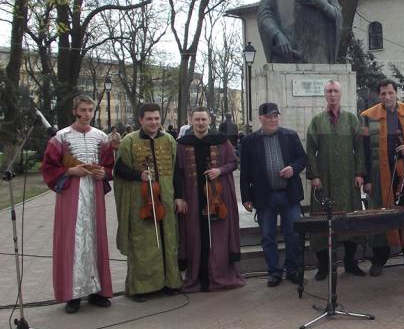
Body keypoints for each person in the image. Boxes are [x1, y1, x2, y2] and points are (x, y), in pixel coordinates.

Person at [41, 95, 113, 313]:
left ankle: (96, 291)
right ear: (75, 111)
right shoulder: (61, 138)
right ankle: (72, 294)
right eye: (83, 109)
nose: (87, 114)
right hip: (71, 195)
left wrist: (103, 173)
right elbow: (48, 168)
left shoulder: (101, 137)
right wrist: (71, 171)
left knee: (95, 239)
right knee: (73, 240)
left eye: (90, 110)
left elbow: (109, 167)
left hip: (94, 196)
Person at [360, 79, 404, 277]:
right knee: (380, 214)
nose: (387, 97)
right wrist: (366, 178)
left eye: (390, 93)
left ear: (396, 92)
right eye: (383, 94)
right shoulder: (368, 116)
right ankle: (379, 258)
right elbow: (364, 150)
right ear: (378, 95)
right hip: (378, 174)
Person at [114, 103, 183, 301]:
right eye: (149, 119)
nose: (153, 122)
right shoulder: (129, 141)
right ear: (140, 120)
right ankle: (141, 288)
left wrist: (178, 196)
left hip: (166, 199)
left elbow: (177, 171)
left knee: (168, 240)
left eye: (156, 118)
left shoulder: (169, 140)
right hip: (141, 200)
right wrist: (139, 175)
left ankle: (170, 282)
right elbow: (119, 170)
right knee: (143, 243)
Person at [174, 106, 245, 292]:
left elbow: (233, 162)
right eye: (197, 119)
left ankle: (219, 274)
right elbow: (178, 173)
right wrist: (179, 197)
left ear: (209, 121)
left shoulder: (221, 141)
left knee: (218, 238)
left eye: (203, 119)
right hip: (193, 198)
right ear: (191, 120)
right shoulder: (182, 144)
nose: (200, 123)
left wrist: (219, 170)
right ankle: (197, 277)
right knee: (194, 237)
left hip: (217, 197)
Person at [240, 102, 306, 287]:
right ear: (260, 118)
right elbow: (244, 172)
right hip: (264, 196)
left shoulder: (290, 136)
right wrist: (246, 197)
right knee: (268, 236)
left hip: (288, 195)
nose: (273, 119)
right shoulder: (249, 141)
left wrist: (293, 168)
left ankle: (292, 269)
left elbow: (302, 158)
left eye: (275, 116)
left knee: (292, 234)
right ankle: (274, 272)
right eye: (269, 116)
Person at [306, 80, 367, 280]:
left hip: (348, 179)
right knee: (322, 222)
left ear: (341, 94)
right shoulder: (317, 121)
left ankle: (350, 263)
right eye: (329, 91)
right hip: (324, 180)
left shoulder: (351, 120)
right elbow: (310, 150)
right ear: (324, 94)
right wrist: (314, 175)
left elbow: (360, 148)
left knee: (351, 220)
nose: (332, 94)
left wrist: (360, 173)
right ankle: (323, 266)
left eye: (335, 91)